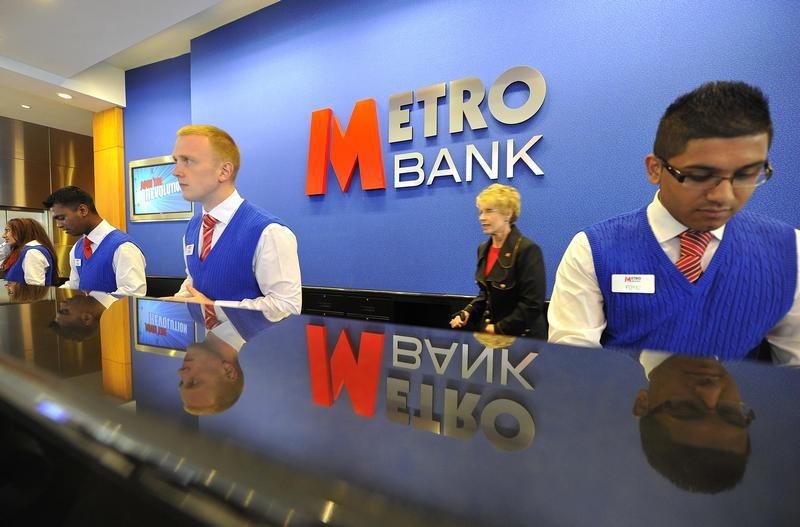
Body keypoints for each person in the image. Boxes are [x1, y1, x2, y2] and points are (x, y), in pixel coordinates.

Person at [548, 81, 799, 363]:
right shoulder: (594, 250)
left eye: (746, 175)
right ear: (655, 169)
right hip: (624, 403)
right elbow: (576, 367)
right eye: (700, 175)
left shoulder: (789, 251)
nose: (723, 196)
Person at [167, 124, 302, 320]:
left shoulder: (269, 232)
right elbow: (194, 280)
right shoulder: (193, 228)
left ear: (224, 171)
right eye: (176, 160)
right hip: (207, 346)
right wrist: (178, 301)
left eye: (187, 161)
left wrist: (215, 308)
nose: (176, 171)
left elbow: (287, 306)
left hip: (253, 350)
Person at [633, 352, 751, 493]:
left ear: (643, 404)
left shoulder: (604, 334)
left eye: (685, 408)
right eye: (730, 412)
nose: (712, 390)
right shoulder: (773, 343)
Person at [449, 184, 546, 338]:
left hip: (523, 341)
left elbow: (532, 305)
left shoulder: (527, 250)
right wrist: (468, 312)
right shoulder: (483, 249)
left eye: (489, 211)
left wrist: (498, 329)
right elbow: (486, 294)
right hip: (493, 338)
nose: (481, 217)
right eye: (480, 212)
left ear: (508, 214)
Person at [43, 186, 147, 296]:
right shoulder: (77, 248)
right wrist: (53, 295)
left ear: (83, 210)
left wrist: (92, 305)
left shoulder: (124, 247)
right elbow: (75, 284)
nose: (58, 225)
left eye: (62, 218)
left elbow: (132, 294)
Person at [178, 306, 272, 414]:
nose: (181, 372)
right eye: (194, 382)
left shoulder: (195, 311)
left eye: (182, 382)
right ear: (228, 372)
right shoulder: (267, 313)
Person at [1, 218, 57, 286]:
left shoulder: (32, 252)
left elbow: (34, 290)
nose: (3, 236)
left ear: (22, 231)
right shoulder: (23, 250)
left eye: (8, 231)